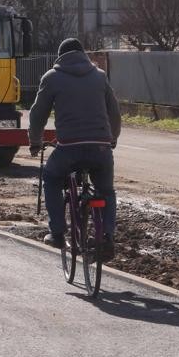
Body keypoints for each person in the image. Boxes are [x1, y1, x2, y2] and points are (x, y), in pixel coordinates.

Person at [28, 38, 121, 262]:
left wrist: (35, 141)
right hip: (101, 148)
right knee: (106, 191)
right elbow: (114, 112)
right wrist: (113, 139)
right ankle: (107, 237)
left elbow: (37, 114)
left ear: (60, 56)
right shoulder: (99, 76)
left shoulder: (52, 78)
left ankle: (58, 233)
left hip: (69, 148)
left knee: (51, 178)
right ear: (83, 54)